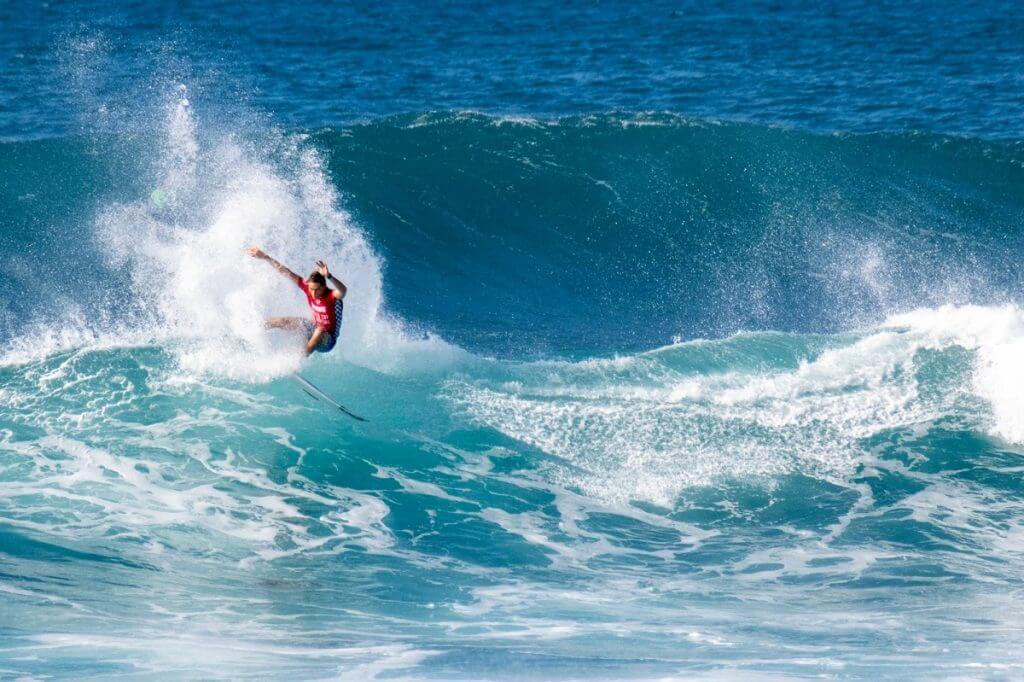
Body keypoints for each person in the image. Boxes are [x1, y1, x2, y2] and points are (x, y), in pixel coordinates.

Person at [247, 246, 346, 355]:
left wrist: (329, 276)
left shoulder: (331, 296)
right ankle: (251, 331)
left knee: (320, 330)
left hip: (327, 341)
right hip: (313, 329)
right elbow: (285, 271)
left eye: (316, 290)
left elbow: (343, 290)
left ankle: (298, 361)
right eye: (311, 289)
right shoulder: (307, 287)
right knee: (285, 321)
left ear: (323, 287)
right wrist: (266, 257)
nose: (312, 293)